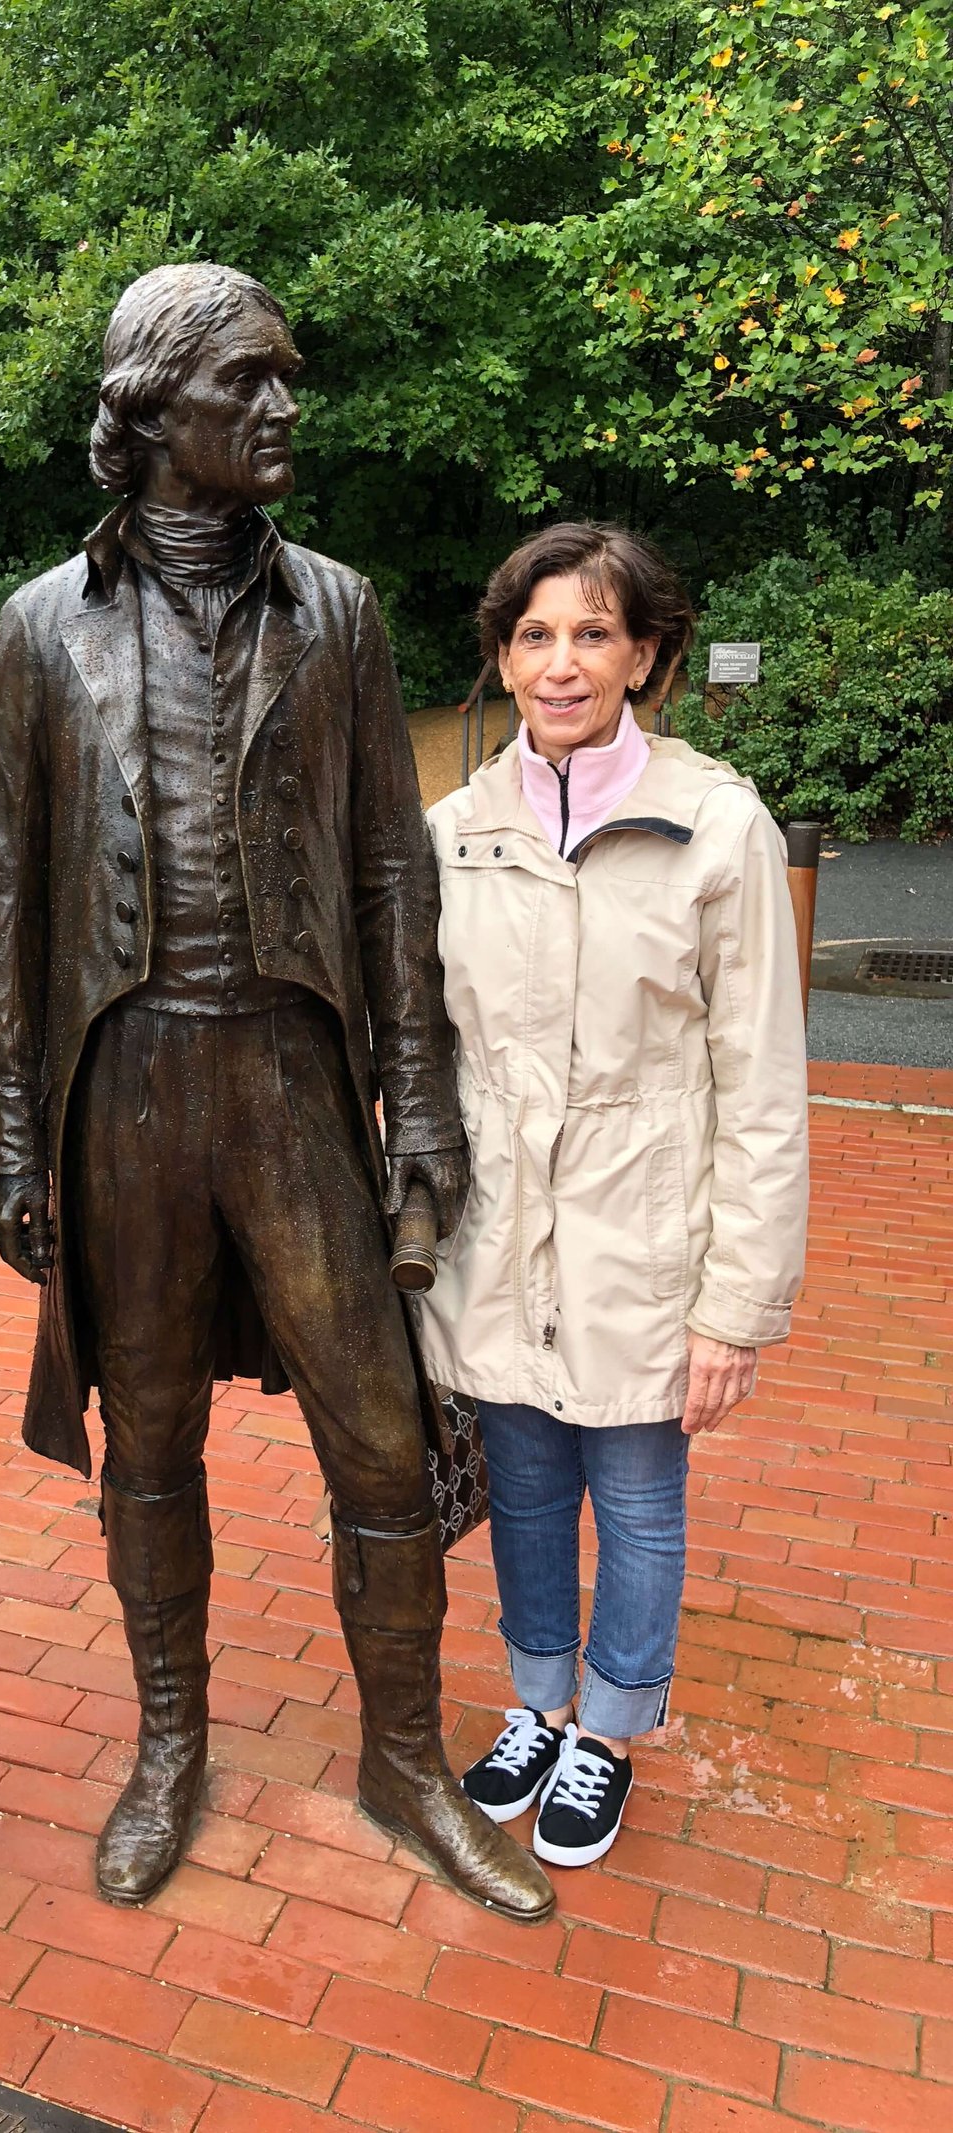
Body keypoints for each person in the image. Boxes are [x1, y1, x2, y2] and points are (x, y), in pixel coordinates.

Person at [0, 262, 554, 1923]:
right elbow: (2, 892)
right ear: (155, 413)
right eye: (250, 383)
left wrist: (416, 1103)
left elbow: (390, 869)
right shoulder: (38, 628)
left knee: (381, 1430)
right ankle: (170, 1742)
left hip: (295, 1076)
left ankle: (406, 1757)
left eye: (288, 379)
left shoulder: (341, 611)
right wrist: (13, 1129)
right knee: (141, 1430)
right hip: (121, 1085)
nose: (285, 409)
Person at [420, 522, 809, 1868]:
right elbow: (415, 1052)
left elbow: (760, 1085)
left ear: (646, 652)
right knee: (524, 1490)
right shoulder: (454, 834)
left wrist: (735, 1308)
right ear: (505, 655)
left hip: (650, 1236)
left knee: (638, 1497)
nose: (563, 662)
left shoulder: (719, 826)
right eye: (535, 635)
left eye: (593, 633)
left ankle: (613, 1729)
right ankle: (540, 1703)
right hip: (502, 1235)